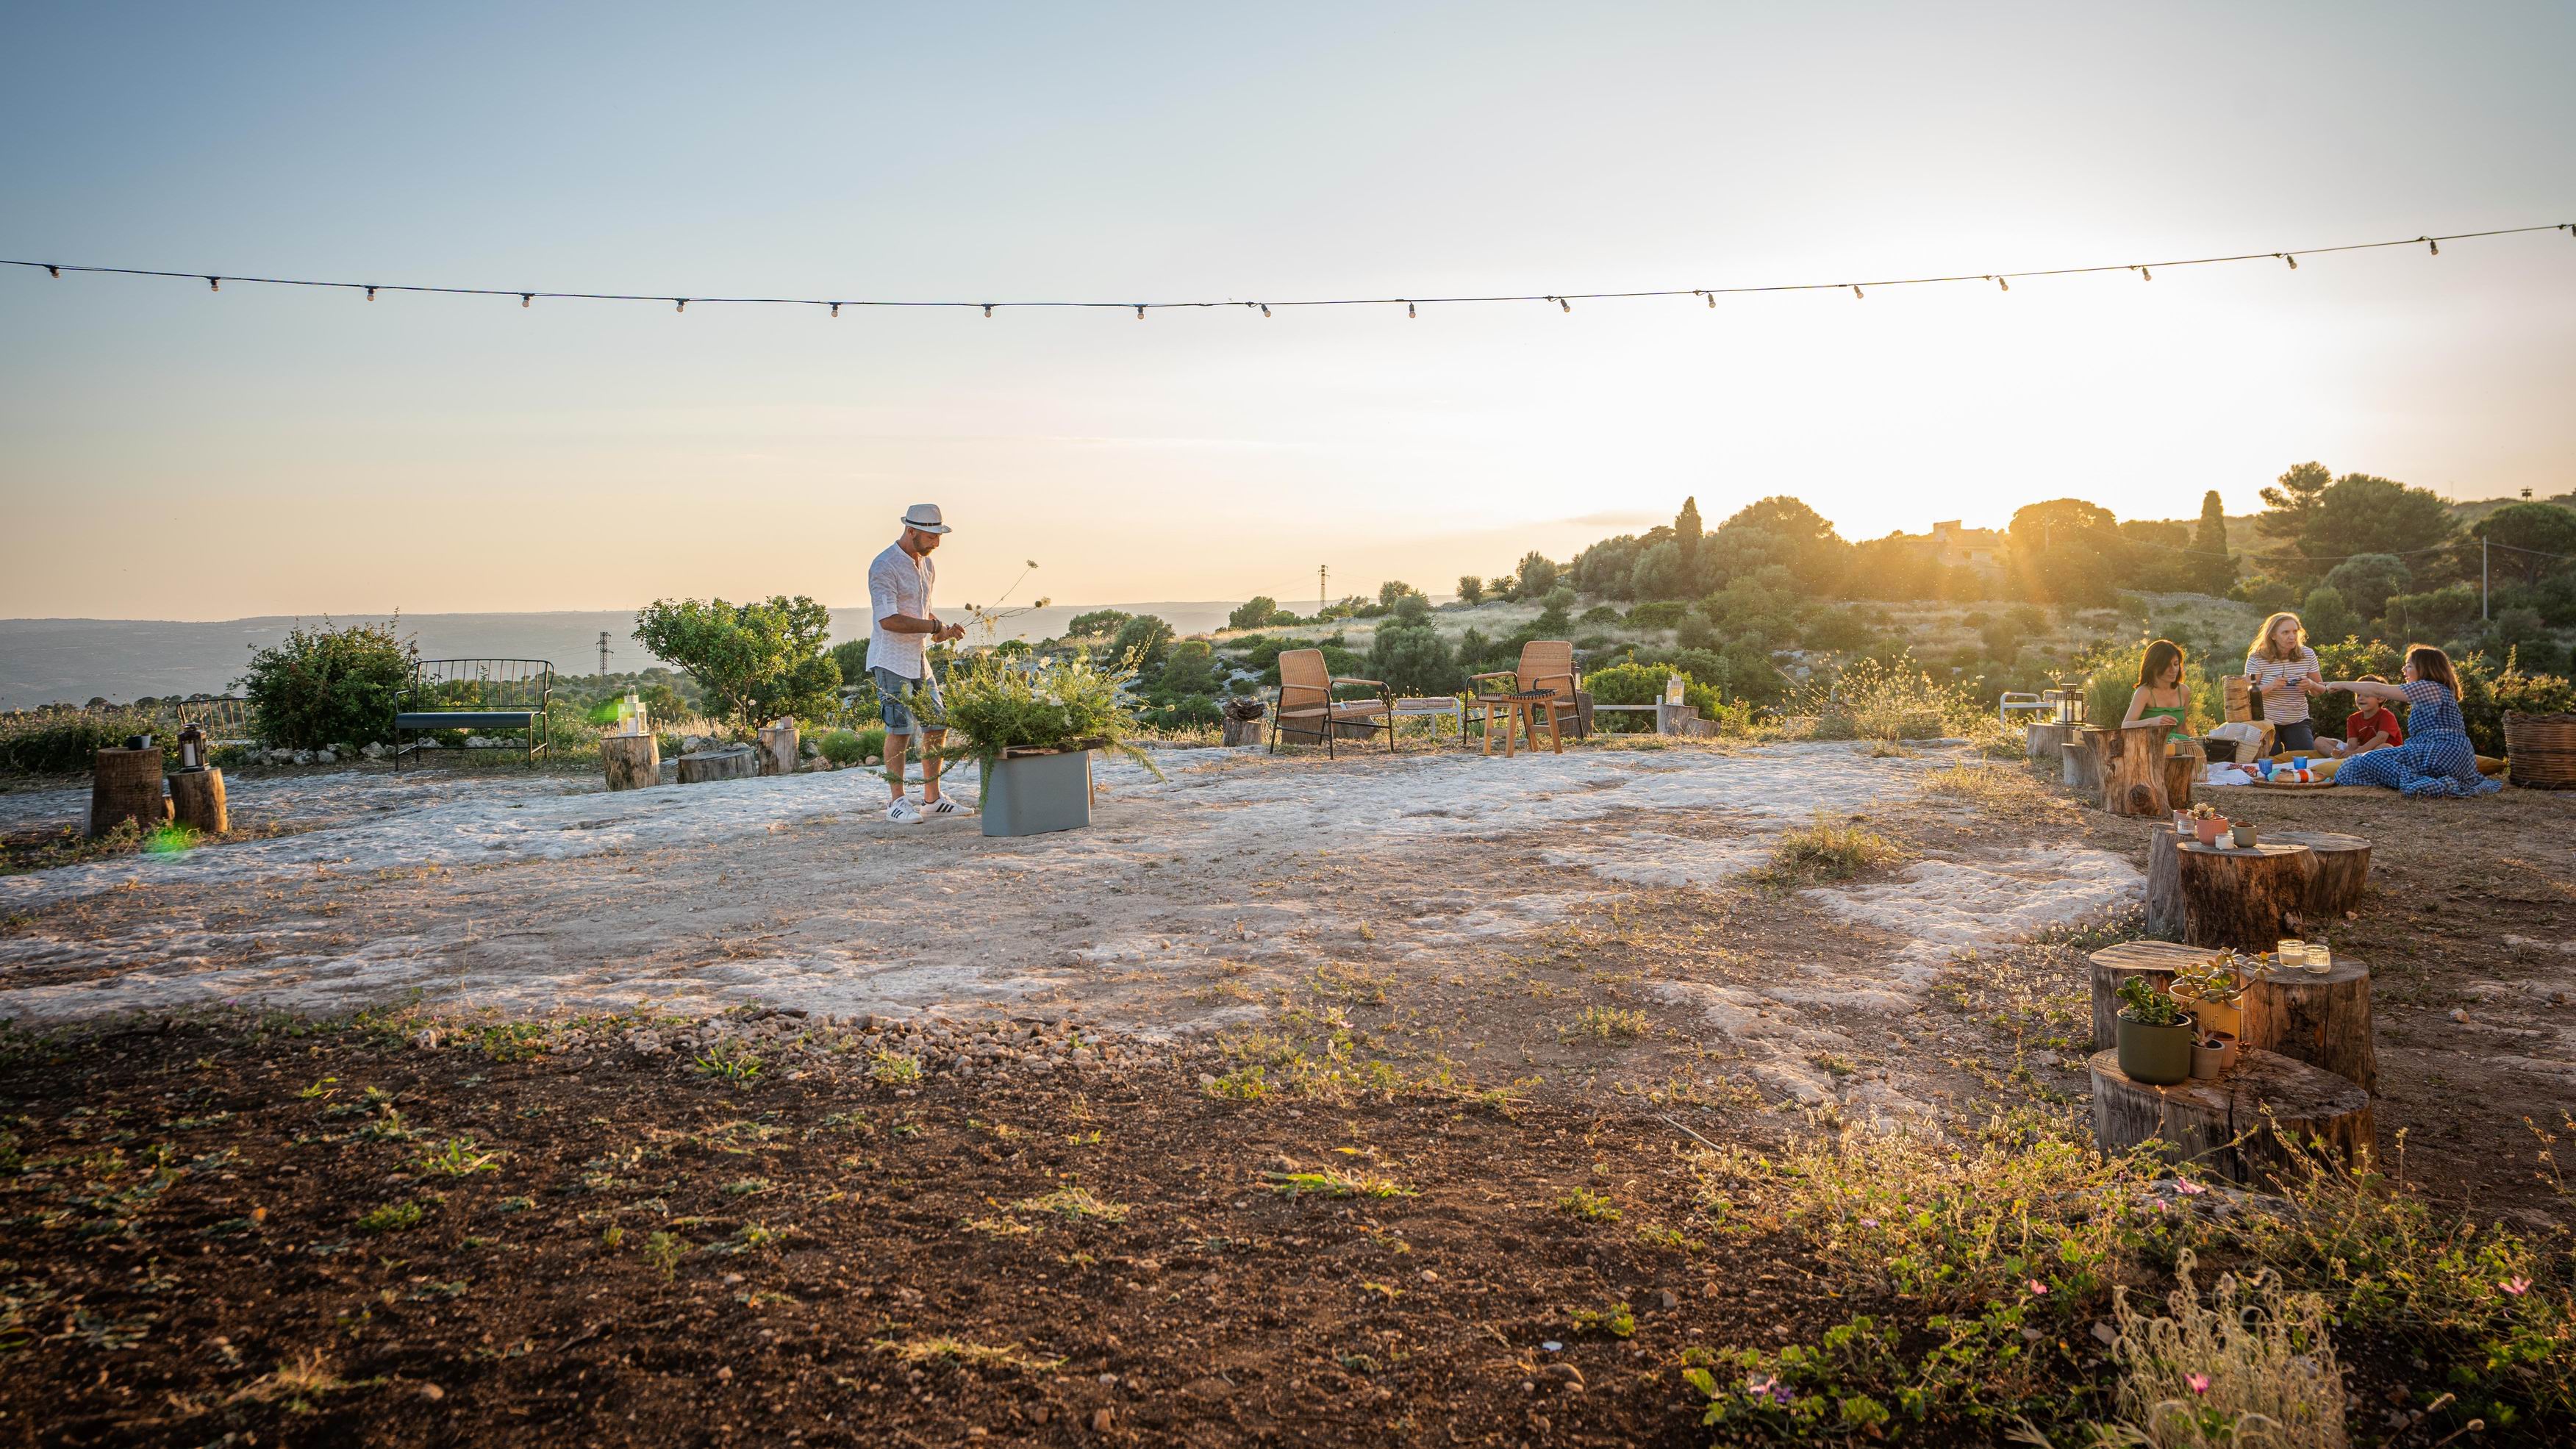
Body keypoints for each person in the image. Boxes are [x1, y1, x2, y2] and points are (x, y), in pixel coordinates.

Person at [869, 504, 969, 823]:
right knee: (899, 729)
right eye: (931, 536)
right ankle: (896, 802)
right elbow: (889, 620)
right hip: (891, 658)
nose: (937, 543)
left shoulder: (927, 565)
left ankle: (932, 798)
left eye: (939, 535)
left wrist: (942, 630)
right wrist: (932, 628)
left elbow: (921, 611)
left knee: (937, 724)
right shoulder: (884, 566)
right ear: (911, 531)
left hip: (919, 658)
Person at [2325, 645, 2500, 798]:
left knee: (2367, 760)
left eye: (2408, 665)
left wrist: (2341, 684)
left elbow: (2378, 689)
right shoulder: (2433, 690)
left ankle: (2423, 784)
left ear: (2425, 669)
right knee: (2351, 767)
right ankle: (2424, 782)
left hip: (2442, 752)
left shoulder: (2430, 688)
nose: (2404, 670)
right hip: (2440, 753)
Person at [2244, 611, 2325, 756]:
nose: (2292, 636)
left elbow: (2320, 690)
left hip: (2297, 719)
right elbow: (2246, 692)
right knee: (2270, 765)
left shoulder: (2308, 654)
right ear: (2273, 636)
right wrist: (2271, 686)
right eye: (2286, 632)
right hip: (2265, 722)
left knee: (2305, 761)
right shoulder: (2257, 658)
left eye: (2295, 631)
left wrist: (2311, 685)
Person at [2121, 639, 2192, 744]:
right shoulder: (2144, 692)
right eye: (2167, 665)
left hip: (2177, 749)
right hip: (2150, 749)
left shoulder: (2184, 691)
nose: (2173, 670)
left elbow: (2181, 728)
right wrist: (2152, 722)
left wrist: (2191, 748)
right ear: (2154, 667)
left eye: (2176, 664)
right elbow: (2125, 726)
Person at [2340, 676, 2405, 756]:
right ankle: (2346, 757)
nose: (2361, 698)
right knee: (2321, 741)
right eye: (2358, 695)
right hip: (2361, 751)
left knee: (2385, 747)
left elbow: (2381, 739)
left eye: (2366, 695)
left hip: (2384, 752)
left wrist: (2354, 753)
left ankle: (2355, 758)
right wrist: (2350, 752)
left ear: (2380, 698)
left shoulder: (2387, 716)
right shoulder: (2352, 719)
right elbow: (2352, 745)